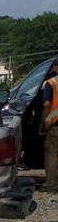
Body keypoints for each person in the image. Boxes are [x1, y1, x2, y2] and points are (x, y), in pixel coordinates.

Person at [43, 59, 58, 188]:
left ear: (55, 68)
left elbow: (47, 104)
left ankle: (52, 184)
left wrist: (45, 121)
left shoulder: (51, 83)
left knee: (52, 153)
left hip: (55, 124)